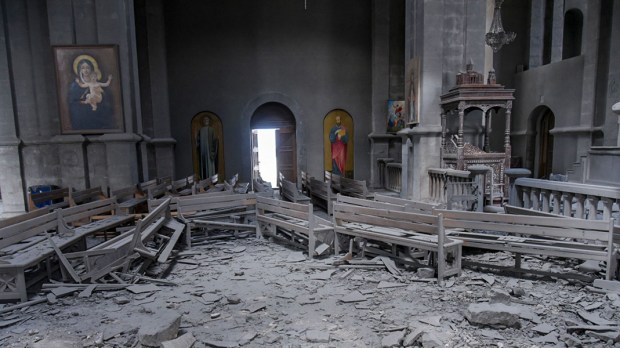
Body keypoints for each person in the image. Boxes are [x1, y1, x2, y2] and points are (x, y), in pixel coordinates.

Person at [68, 56, 115, 130]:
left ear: (92, 69)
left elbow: (106, 100)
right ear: (79, 70)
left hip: (97, 114)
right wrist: (82, 103)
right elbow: (72, 102)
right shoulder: (75, 85)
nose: (85, 70)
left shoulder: (97, 83)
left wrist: (101, 95)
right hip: (81, 115)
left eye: (88, 68)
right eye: (83, 68)